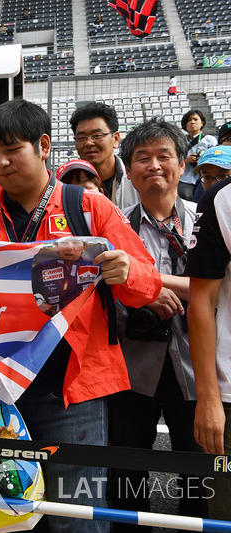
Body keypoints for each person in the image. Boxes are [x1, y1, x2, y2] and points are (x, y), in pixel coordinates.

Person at [0, 99, 160, 533]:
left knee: (77, 519)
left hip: (71, 394)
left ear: (44, 145)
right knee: (1, 516)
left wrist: (125, 270)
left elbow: (149, 284)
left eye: (11, 149)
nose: (1, 162)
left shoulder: (87, 207)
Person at [109, 118, 205, 529]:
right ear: (128, 170)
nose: (154, 166)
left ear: (182, 164)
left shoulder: (208, 221)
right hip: (132, 368)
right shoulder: (116, 226)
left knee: (197, 467)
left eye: (164, 156)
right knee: (127, 467)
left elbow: (216, 288)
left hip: (199, 366)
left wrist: (147, 281)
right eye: (142, 158)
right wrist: (141, 295)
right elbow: (104, 287)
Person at [185, 150, 231, 523]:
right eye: (205, 174)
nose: (210, 180)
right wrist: (210, 398)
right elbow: (201, 302)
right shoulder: (220, 200)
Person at [70, 102, 139, 208]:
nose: (89, 143)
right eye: (81, 138)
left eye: (97, 135)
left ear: (115, 139)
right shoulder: (67, 185)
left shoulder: (136, 180)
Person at [32, 239, 95, 316]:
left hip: (85, 320)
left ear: (84, 247)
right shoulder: (42, 267)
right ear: (56, 246)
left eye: (75, 242)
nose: (69, 248)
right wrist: (39, 302)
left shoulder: (95, 268)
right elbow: (26, 289)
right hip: (52, 321)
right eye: (63, 242)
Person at [179, 110, 218, 203]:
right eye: (189, 120)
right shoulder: (180, 141)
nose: (192, 122)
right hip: (185, 179)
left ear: (202, 123)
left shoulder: (210, 140)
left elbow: (215, 159)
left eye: (195, 119)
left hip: (204, 178)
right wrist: (185, 160)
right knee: (184, 198)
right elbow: (174, 158)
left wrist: (202, 160)